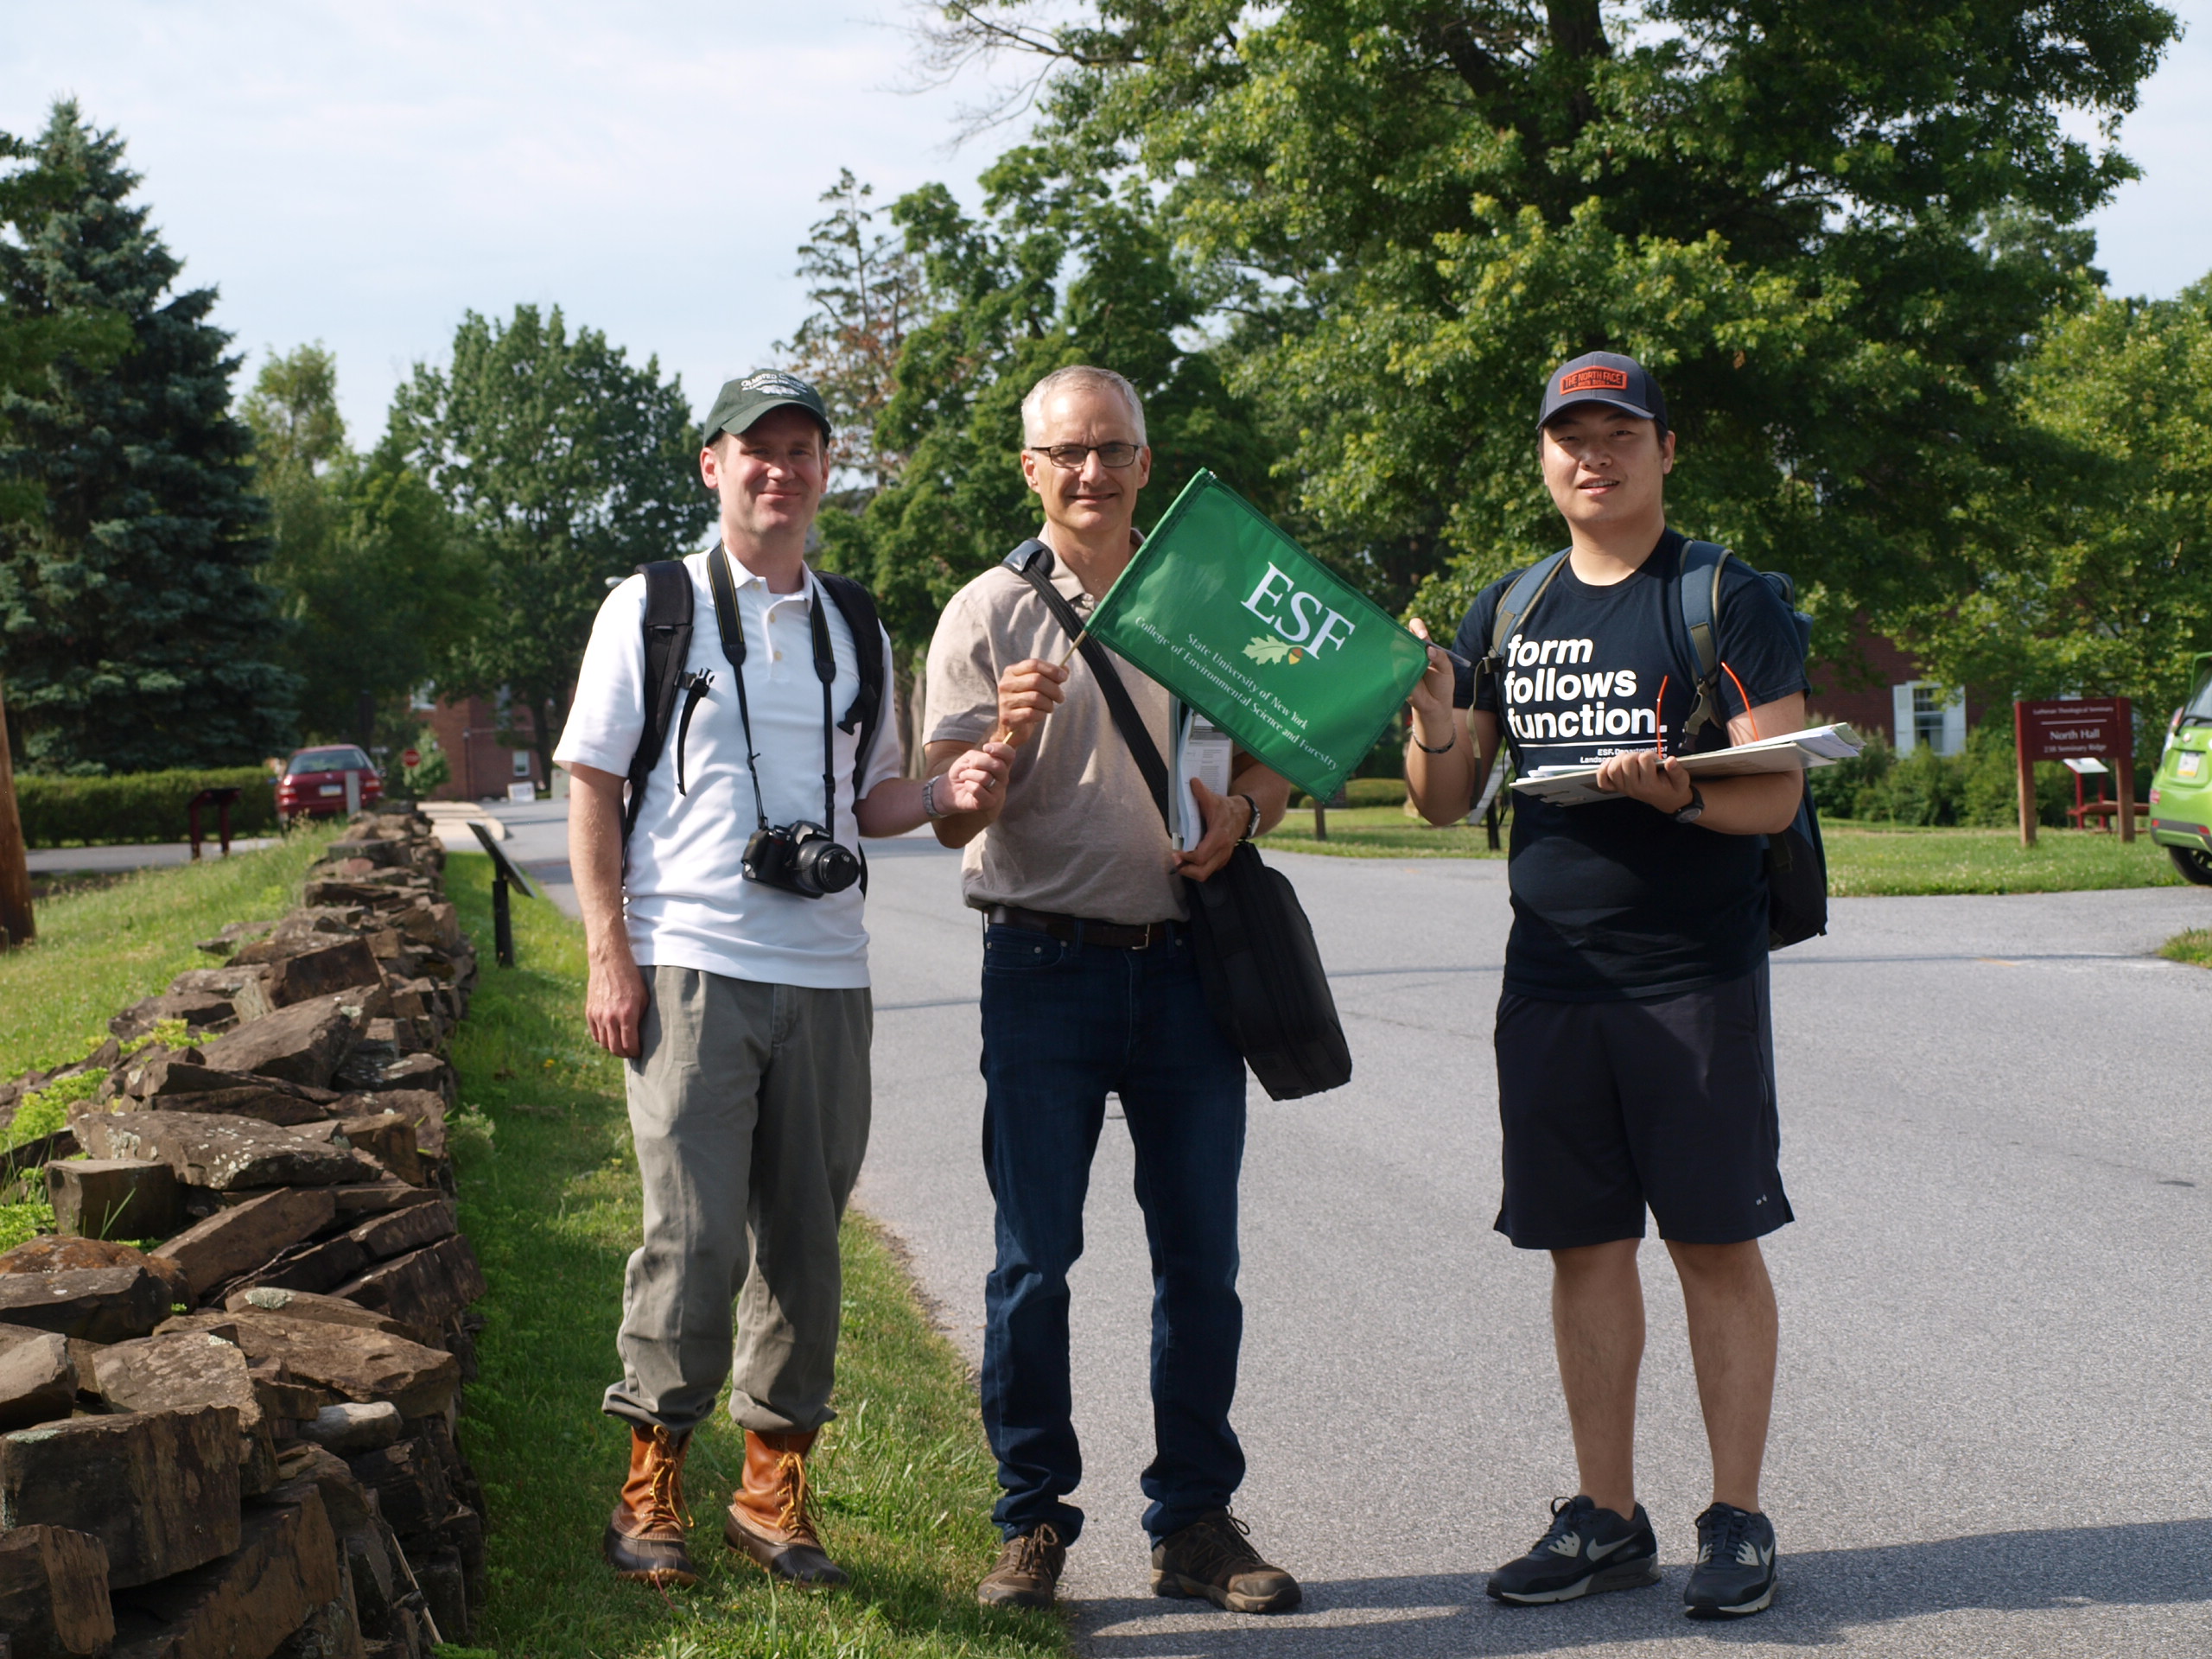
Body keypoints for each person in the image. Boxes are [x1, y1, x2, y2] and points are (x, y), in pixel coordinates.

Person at [554, 370, 1011, 1590]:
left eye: (803, 450)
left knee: (806, 1248)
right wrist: (610, 948)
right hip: (692, 965)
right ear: (713, 465)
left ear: (824, 470)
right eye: (758, 449)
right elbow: (592, 783)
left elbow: (875, 802)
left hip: (828, 973)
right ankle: (650, 1484)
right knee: (694, 1242)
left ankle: (771, 1492)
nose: (781, 470)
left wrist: (951, 797)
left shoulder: (856, 624)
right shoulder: (650, 608)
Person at [1404, 352, 1808, 1620]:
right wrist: (1429, 712)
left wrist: (1678, 785)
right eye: (1571, 435)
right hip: (1552, 981)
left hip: (1691, 979)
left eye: (1621, 432)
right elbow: (1443, 799)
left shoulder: (1723, 596)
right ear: (1544, 458)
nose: (1596, 455)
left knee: (1713, 1241)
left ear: (1665, 450)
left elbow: (1777, 791)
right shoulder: (1507, 609)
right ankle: (1606, 1516)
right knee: (1582, 1248)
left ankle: (1736, 1519)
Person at [922, 365, 1302, 1616]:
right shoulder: (987, 611)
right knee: (1035, 1262)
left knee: (1202, 1260)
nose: (1093, 472)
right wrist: (1003, 745)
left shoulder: (1199, 592)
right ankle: (1032, 1522)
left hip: (1187, 968)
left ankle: (1193, 1521)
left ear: (1147, 461)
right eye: (1067, 453)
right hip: (1041, 968)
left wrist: (1244, 812)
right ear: (1029, 470)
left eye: (1115, 449)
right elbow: (946, 811)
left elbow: (1271, 753)